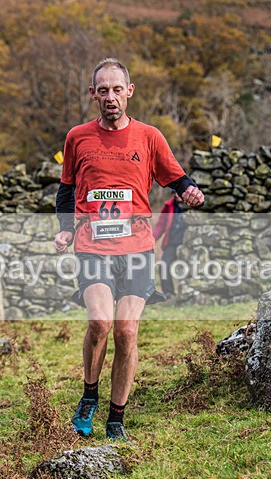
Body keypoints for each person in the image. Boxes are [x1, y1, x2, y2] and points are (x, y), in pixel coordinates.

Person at [54, 58, 205, 441]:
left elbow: (175, 175)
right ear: (93, 94)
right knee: (101, 322)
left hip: (138, 247)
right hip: (93, 246)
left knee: (126, 330)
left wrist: (188, 190)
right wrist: (65, 230)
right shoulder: (77, 137)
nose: (110, 97)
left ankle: (116, 419)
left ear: (129, 91)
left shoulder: (149, 137)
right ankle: (89, 396)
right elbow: (67, 188)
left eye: (117, 89)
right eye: (102, 90)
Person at [153, 192, 187, 298]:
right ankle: (169, 293)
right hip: (171, 243)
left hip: (186, 243)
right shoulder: (169, 206)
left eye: (180, 192)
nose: (178, 195)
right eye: (176, 192)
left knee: (187, 268)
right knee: (164, 266)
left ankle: (185, 293)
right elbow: (160, 226)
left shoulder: (191, 205)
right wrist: (150, 240)